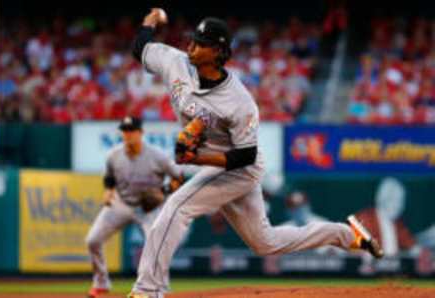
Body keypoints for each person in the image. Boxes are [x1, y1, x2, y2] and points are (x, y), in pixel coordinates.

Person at [128, 9, 384, 298]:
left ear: (218, 51)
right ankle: (349, 236)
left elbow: (245, 156)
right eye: (193, 40)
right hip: (215, 165)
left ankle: (148, 290)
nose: (191, 46)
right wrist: (152, 19)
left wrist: (197, 159)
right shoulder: (175, 62)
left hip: (240, 169)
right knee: (266, 243)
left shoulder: (239, 101)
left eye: (201, 43)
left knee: (177, 207)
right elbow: (141, 47)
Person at [85, 116, 183, 298]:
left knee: (157, 244)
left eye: (131, 131)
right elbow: (110, 177)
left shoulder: (157, 156)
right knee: (93, 240)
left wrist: (165, 190)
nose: (127, 135)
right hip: (121, 204)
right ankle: (101, 282)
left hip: (149, 208)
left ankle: (160, 287)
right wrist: (108, 190)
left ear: (140, 133)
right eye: (124, 131)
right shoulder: (114, 155)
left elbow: (179, 176)